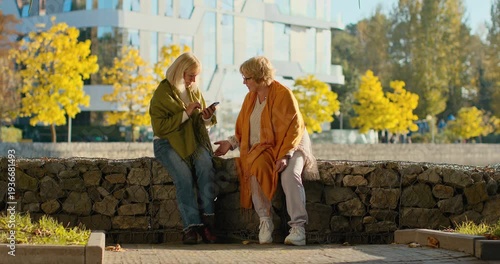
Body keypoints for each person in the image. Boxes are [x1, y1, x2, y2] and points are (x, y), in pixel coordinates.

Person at [214, 56, 318, 246]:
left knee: (290, 175)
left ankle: (298, 228)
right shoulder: (250, 98)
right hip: (266, 148)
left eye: (247, 78)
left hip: (292, 144)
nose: (243, 82)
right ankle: (265, 221)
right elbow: (246, 130)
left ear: (260, 77)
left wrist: (286, 154)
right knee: (255, 167)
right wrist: (230, 143)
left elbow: (294, 128)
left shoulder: (283, 94)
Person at [149, 52, 218, 244]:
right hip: (166, 143)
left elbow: (203, 123)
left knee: (206, 165)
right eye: (190, 76)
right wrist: (186, 113)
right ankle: (191, 228)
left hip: (192, 140)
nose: (194, 80)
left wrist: (206, 116)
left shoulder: (194, 90)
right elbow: (160, 127)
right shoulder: (162, 93)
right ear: (180, 72)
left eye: (196, 76)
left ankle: (208, 223)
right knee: (184, 177)